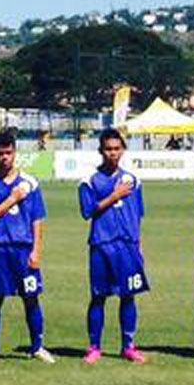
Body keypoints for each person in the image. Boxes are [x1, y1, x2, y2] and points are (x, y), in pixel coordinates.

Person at [0, 130, 53, 365]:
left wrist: (36, 251)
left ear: (15, 152)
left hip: (24, 250)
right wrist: (11, 199)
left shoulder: (30, 183)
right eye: (0, 154)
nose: (5, 158)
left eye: (8, 153)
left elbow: (37, 219)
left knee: (31, 299)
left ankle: (37, 347)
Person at [79, 128, 149, 364]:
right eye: (108, 149)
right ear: (101, 151)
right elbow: (87, 211)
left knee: (128, 296)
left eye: (117, 149)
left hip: (128, 246)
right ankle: (94, 347)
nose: (113, 153)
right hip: (102, 244)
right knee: (98, 297)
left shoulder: (133, 180)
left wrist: (139, 245)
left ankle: (128, 346)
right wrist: (114, 195)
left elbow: (137, 215)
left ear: (123, 150)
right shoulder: (89, 180)